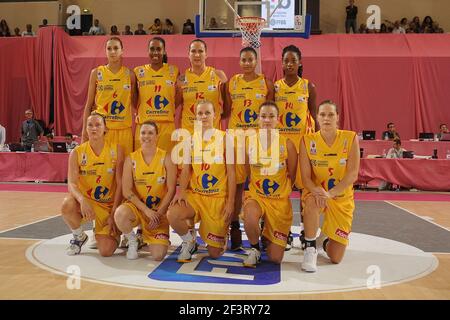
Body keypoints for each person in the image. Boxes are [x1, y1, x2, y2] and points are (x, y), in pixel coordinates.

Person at [167, 100, 236, 262]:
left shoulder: (226, 139)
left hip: (217, 199)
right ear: (195, 117)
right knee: (173, 214)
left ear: (215, 115)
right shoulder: (190, 140)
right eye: (200, 113)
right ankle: (189, 240)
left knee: (214, 253)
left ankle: (221, 233)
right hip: (196, 196)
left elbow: (232, 174)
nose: (203, 116)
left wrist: (230, 202)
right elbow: (186, 169)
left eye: (207, 113)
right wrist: (181, 191)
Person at [223, 46, 274, 251]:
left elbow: (271, 113)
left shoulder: (266, 84)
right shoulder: (231, 83)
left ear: (256, 61)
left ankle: (265, 225)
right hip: (236, 138)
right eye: (243, 59)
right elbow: (226, 111)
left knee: (261, 183)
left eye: (250, 59)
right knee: (235, 185)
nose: (246, 63)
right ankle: (234, 226)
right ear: (239, 61)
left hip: (258, 139)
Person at [299, 100, 360, 272]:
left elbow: (352, 174)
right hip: (318, 195)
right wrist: (318, 192)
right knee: (310, 202)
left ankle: (324, 241)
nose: (326, 118)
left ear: (338, 117)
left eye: (331, 114)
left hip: (340, 198)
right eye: (323, 114)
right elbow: (305, 178)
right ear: (317, 118)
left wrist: (331, 194)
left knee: (336, 258)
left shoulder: (350, 138)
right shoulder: (307, 140)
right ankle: (310, 248)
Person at [60, 112, 124, 256]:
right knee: (67, 205)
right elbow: (71, 183)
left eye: (98, 125)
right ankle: (79, 236)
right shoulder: (77, 152)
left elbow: (120, 185)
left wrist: (114, 211)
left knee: (106, 251)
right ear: (86, 129)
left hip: (108, 206)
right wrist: (82, 200)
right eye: (90, 125)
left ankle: (106, 231)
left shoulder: (117, 150)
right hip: (87, 203)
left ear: (105, 128)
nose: (94, 128)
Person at [242, 101, 297, 267]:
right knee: (250, 216)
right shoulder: (249, 142)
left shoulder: (287, 144)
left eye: (271, 116)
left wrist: (280, 191)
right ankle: (254, 249)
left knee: (275, 258)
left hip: (279, 202)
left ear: (278, 119)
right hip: (257, 197)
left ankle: (270, 233)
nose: (267, 120)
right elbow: (247, 172)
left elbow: (292, 176)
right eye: (263, 116)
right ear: (258, 119)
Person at [274, 44, 317, 249]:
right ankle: (284, 231)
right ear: (281, 63)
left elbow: (315, 117)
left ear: (300, 63)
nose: (289, 64)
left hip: (301, 146)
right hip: (281, 146)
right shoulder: (275, 87)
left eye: (293, 60)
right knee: (282, 191)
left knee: (303, 191)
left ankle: (303, 231)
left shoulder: (308, 87)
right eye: (286, 60)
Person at [114, 121, 177, 260]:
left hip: (158, 211)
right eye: (143, 133)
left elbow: (172, 190)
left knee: (158, 256)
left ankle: (145, 236)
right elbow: (127, 191)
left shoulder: (166, 158)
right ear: (138, 135)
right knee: (120, 214)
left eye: (150, 133)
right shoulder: (131, 159)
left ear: (156, 136)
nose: (146, 136)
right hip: (139, 208)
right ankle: (132, 240)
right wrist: (146, 210)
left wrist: (158, 213)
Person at [81, 36, 136, 156]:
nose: (112, 51)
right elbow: (89, 105)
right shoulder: (96, 73)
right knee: (104, 169)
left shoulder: (130, 75)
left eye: (116, 48)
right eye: (109, 48)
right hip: (103, 130)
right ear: (105, 51)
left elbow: (137, 103)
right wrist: (84, 131)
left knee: (124, 170)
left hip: (124, 130)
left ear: (122, 51)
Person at [134, 37, 179, 152]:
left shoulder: (174, 71)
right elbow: (134, 100)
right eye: (152, 49)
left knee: (167, 165)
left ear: (164, 51)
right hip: (144, 126)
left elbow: (177, 99)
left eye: (158, 49)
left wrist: (169, 109)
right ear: (148, 51)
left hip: (166, 127)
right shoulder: (138, 72)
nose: (155, 52)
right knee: (142, 165)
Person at [176, 39, 227, 133]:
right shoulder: (181, 79)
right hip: (189, 133)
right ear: (188, 54)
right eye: (193, 51)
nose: (197, 55)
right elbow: (176, 106)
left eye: (200, 51)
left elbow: (228, 105)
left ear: (206, 54)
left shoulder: (219, 75)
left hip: (212, 133)